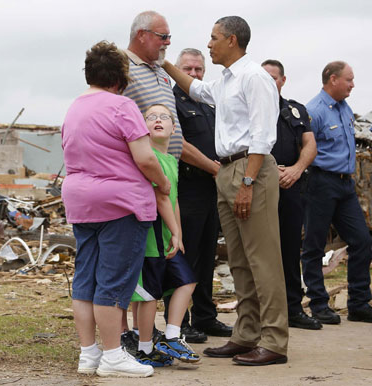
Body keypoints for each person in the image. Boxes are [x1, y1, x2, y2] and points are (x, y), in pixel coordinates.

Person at [163, 16, 289, 366]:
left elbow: (263, 136)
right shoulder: (227, 80)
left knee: (262, 259)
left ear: (232, 40)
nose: (209, 44)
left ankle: (275, 340)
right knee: (239, 259)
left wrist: (248, 182)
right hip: (228, 171)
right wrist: (165, 64)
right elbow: (197, 90)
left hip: (250, 170)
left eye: (214, 38)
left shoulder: (255, 78)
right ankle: (247, 334)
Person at [62, 40, 172, 378]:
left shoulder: (74, 108)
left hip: (80, 202)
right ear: (121, 77)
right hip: (119, 204)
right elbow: (145, 157)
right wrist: (162, 184)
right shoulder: (122, 106)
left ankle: (88, 354)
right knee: (112, 281)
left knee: (85, 281)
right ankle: (112, 354)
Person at [120, 10, 222, 347]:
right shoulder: (123, 67)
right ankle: (132, 336)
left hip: (171, 174)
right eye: (163, 37)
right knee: (143, 265)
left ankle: (159, 332)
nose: (167, 43)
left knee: (176, 256)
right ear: (142, 35)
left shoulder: (161, 72)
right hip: (144, 179)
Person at [301, 61, 372, 324]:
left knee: (362, 240)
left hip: (345, 184)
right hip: (321, 183)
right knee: (314, 245)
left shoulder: (345, 108)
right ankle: (319, 304)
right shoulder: (315, 111)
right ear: (333, 79)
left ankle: (359, 303)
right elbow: (305, 148)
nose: (353, 84)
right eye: (349, 79)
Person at [131, 103, 200, 367]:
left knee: (186, 281)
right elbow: (160, 197)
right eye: (151, 117)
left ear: (174, 127)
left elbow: (174, 199)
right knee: (148, 295)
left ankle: (171, 336)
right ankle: (145, 348)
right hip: (151, 236)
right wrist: (173, 231)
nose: (158, 120)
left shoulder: (171, 160)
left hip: (168, 235)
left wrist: (178, 232)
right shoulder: (148, 158)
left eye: (164, 117)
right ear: (143, 127)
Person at [172, 48, 232, 341]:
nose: (193, 74)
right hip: (189, 187)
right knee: (186, 256)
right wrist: (212, 167)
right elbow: (178, 144)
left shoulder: (209, 103)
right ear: (178, 69)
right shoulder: (171, 101)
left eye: (198, 70)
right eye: (188, 69)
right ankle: (180, 322)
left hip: (212, 189)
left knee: (208, 256)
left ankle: (205, 317)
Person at [261, 59, 321, 330]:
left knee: (289, 250)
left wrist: (296, 170)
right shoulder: (249, 108)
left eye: (274, 78)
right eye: (264, 78)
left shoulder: (295, 110)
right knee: (260, 252)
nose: (269, 82)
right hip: (260, 186)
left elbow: (309, 145)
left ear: (283, 81)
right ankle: (261, 314)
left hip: (291, 186)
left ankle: (293, 309)